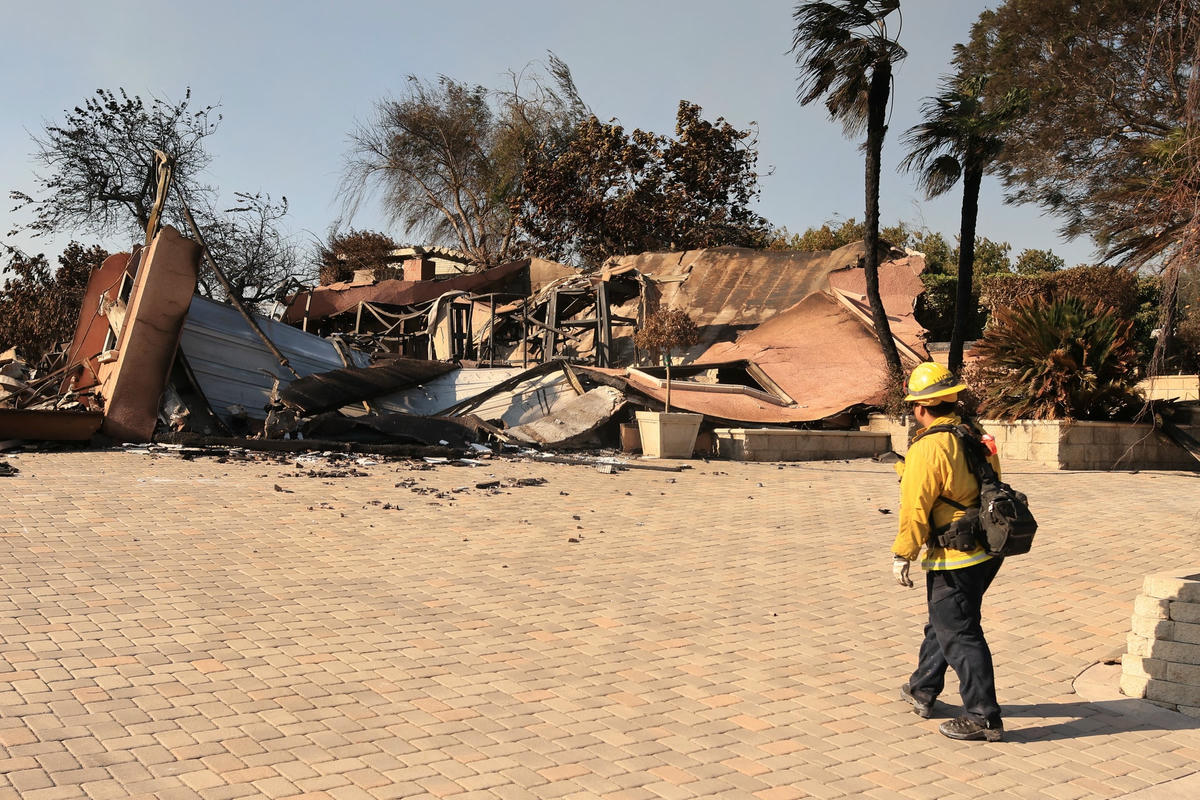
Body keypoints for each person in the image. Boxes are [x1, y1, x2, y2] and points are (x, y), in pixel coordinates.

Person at [891, 362, 1004, 742]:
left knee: (960, 631)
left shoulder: (928, 447)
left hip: (955, 553)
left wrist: (902, 553)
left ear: (921, 408)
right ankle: (923, 689)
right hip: (987, 550)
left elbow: (915, 506)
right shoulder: (974, 434)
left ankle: (982, 717)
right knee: (947, 621)